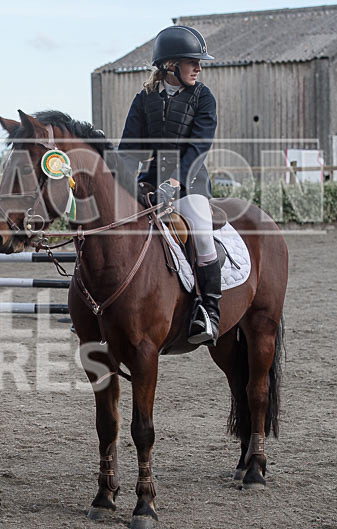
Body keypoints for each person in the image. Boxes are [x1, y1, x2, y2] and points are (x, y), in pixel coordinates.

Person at [118, 26, 220, 345]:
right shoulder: (144, 99)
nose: (199, 67)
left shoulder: (203, 97)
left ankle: (209, 311)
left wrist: (176, 180)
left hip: (191, 184)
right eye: (193, 61)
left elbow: (199, 146)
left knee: (202, 234)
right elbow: (129, 150)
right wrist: (117, 183)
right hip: (150, 184)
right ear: (170, 65)